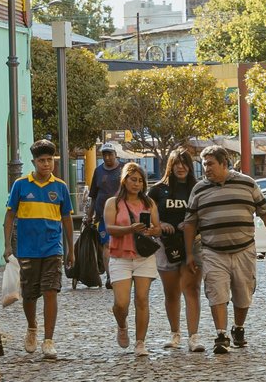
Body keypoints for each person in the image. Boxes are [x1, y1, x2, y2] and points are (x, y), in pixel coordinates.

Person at [184, 145, 266, 356]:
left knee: (243, 294)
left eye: (210, 164)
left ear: (224, 163)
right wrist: (189, 253)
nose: (206, 169)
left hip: (244, 249)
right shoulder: (199, 189)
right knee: (216, 292)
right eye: (204, 165)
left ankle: (238, 328)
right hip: (212, 251)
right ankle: (221, 335)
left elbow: (265, 213)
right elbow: (190, 223)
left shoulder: (247, 183)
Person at [4, 141, 72, 358]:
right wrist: (7, 245)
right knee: (30, 294)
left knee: (51, 291)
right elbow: (9, 215)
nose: (46, 164)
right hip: (27, 249)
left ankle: (48, 340)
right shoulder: (21, 185)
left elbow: (67, 218)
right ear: (34, 162)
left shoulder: (60, 187)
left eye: (49, 160)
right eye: (42, 160)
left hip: (53, 248)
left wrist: (71, 248)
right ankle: (32, 328)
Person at [103, 161, 162, 356]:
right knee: (121, 303)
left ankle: (140, 342)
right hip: (120, 256)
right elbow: (109, 228)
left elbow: (157, 228)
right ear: (124, 180)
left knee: (142, 299)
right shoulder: (113, 203)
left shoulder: (148, 203)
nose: (136, 184)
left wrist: (153, 230)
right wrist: (130, 228)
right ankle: (122, 325)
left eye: (140, 181)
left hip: (143, 256)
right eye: (133, 179)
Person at [151, 148, 205, 352]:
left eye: (185, 163)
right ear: (170, 166)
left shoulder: (199, 188)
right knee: (171, 291)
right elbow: (148, 213)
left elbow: (206, 214)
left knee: (192, 289)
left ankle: (194, 336)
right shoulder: (158, 189)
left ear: (190, 166)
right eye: (177, 163)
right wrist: (161, 223)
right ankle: (175, 334)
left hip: (194, 244)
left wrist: (192, 225)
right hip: (166, 246)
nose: (181, 167)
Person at [82, 144, 126, 288]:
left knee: (123, 244)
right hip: (102, 216)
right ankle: (110, 276)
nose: (107, 157)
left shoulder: (124, 169)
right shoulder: (98, 171)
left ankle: (123, 273)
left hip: (123, 214)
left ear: (115, 154)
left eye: (110, 154)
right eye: (104, 155)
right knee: (107, 244)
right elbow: (94, 195)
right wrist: (90, 215)